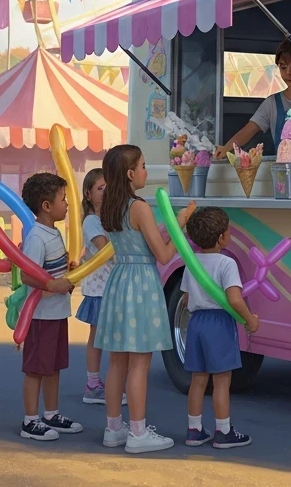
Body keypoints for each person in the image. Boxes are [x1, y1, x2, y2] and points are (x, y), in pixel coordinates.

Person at [95, 145, 177, 454]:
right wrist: (180, 225)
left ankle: (114, 428)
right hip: (141, 283)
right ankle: (139, 433)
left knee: (117, 361)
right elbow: (163, 255)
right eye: (143, 166)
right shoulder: (139, 207)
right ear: (131, 174)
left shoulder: (109, 206)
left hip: (119, 281)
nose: (146, 171)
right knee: (140, 362)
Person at [180, 206, 259, 449]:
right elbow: (234, 299)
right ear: (222, 237)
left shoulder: (191, 263)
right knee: (222, 380)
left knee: (198, 379)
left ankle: (194, 430)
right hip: (218, 323)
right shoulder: (226, 263)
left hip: (196, 322)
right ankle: (223, 431)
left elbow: (185, 299)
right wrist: (249, 320)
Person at [19, 172, 81, 442]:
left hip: (57, 313)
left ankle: (51, 413)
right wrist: (52, 285)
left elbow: (52, 268)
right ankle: (30, 420)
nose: (66, 204)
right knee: (36, 369)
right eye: (62, 199)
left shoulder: (53, 232)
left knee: (54, 367)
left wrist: (68, 271)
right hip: (41, 317)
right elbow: (27, 274)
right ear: (46, 206)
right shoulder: (36, 237)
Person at [214, 35, 291, 157]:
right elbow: (248, 130)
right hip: (282, 168)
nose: (288, 72)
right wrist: (226, 148)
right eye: (283, 67)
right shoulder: (272, 103)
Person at [76, 168, 125, 407]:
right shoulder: (91, 221)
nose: (105, 192)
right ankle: (93, 385)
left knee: (113, 337)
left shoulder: (109, 217)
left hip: (112, 286)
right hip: (99, 288)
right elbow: (107, 250)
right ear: (88, 194)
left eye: (108, 187)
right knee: (97, 338)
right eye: (100, 188)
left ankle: (108, 383)